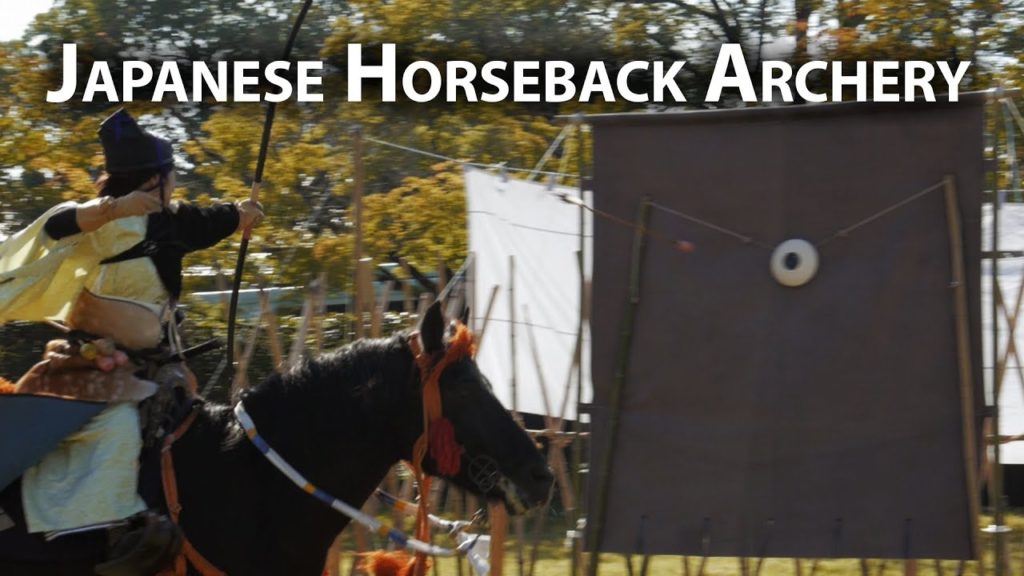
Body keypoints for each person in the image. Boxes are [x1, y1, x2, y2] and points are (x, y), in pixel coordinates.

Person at [0, 108, 263, 575]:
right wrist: (114, 208)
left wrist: (243, 214)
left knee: (189, 434)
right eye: (171, 177)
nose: (176, 184)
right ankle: (108, 536)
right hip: (90, 366)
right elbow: (57, 225)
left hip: (153, 368)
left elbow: (212, 220)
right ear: (155, 180)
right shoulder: (100, 225)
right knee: (115, 428)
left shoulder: (172, 223)